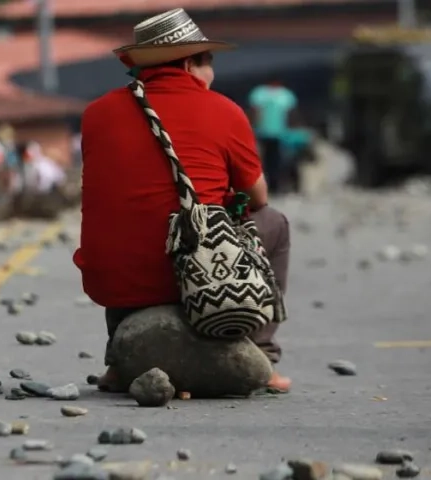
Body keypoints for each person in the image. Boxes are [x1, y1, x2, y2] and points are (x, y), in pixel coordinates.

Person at [75, 8, 292, 393]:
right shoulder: (224, 110)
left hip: (114, 280)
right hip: (199, 275)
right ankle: (262, 353)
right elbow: (259, 197)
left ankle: (116, 359)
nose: (213, 75)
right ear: (191, 63)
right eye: (210, 64)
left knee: (128, 220)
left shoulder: (96, 114)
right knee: (275, 223)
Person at [249, 79, 298, 192]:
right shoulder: (284, 95)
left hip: (273, 133)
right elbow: (291, 114)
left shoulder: (260, 94)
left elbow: (255, 112)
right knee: (274, 160)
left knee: (271, 159)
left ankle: (273, 184)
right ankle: (273, 184)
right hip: (272, 132)